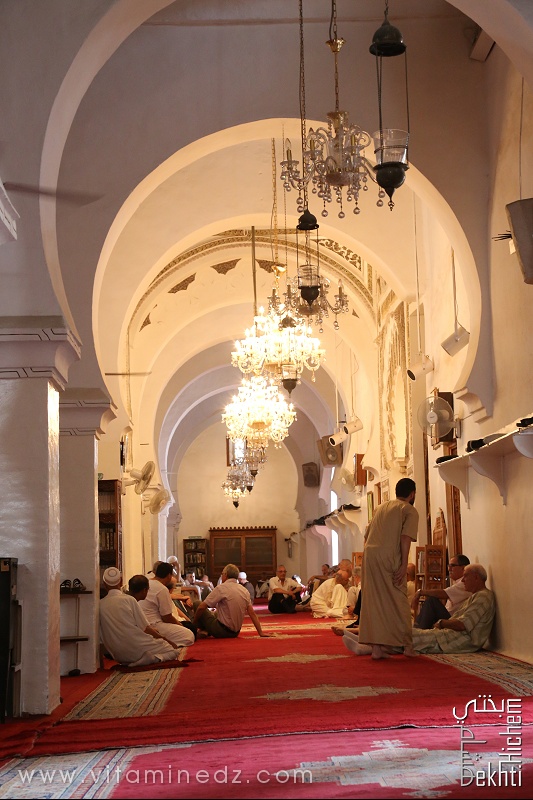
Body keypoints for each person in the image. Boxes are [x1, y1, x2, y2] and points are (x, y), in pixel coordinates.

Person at [343, 564, 495, 656]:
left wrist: (442, 623)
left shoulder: (483, 597)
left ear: (476, 577)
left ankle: (369, 647)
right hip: (450, 635)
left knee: (414, 637)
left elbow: (463, 625)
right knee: (411, 634)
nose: (463, 580)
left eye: (466, 576)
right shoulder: (475, 596)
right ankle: (370, 645)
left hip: (460, 640)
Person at [358, 477, 419, 660]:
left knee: (374, 601)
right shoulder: (408, 509)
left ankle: (377, 648)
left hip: (369, 555)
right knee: (399, 599)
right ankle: (407, 646)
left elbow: (368, 534)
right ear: (412, 494)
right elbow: (405, 538)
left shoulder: (381, 507)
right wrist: (403, 565)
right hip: (388, 555)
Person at [99, 568, 180, 667]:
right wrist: (166, 640)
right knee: (173, 651)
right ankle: (150, 659)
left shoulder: (100, 604)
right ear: (120, 581)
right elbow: (146, 628)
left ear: (104, 583)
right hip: (136, 648)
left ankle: (134, 661)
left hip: (117, 655)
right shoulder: (129, 600)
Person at [192, 563, 270, 638]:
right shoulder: (244, 590)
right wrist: (260, 632)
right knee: (215, 613)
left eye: (222, 574)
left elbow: (201, 607)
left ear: (225, 574)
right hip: (235, 633)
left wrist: (194, 623)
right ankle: (205, 631)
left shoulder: (222, 588)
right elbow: (252, 613)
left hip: (221, 631)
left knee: (197, 603)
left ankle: (198, 630)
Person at [139, 562, 196, 648]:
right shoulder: (161, 589)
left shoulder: (147, 583)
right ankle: (161, 644)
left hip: (142, 625)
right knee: (189, 635)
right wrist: (180, 626)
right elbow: (167, 617)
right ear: (169, 575)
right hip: (155, 624)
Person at [412, 554, 471, 628]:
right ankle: (417, 630)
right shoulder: (458, 582)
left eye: (452, 565)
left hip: (452, 621)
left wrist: (421, 592)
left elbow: (444, 593)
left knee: (431, 601)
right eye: (448, 565)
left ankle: (417, 632)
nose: (449, 569)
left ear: (463, 568)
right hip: (448, 616)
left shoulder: (465, 583)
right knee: (429, 608)